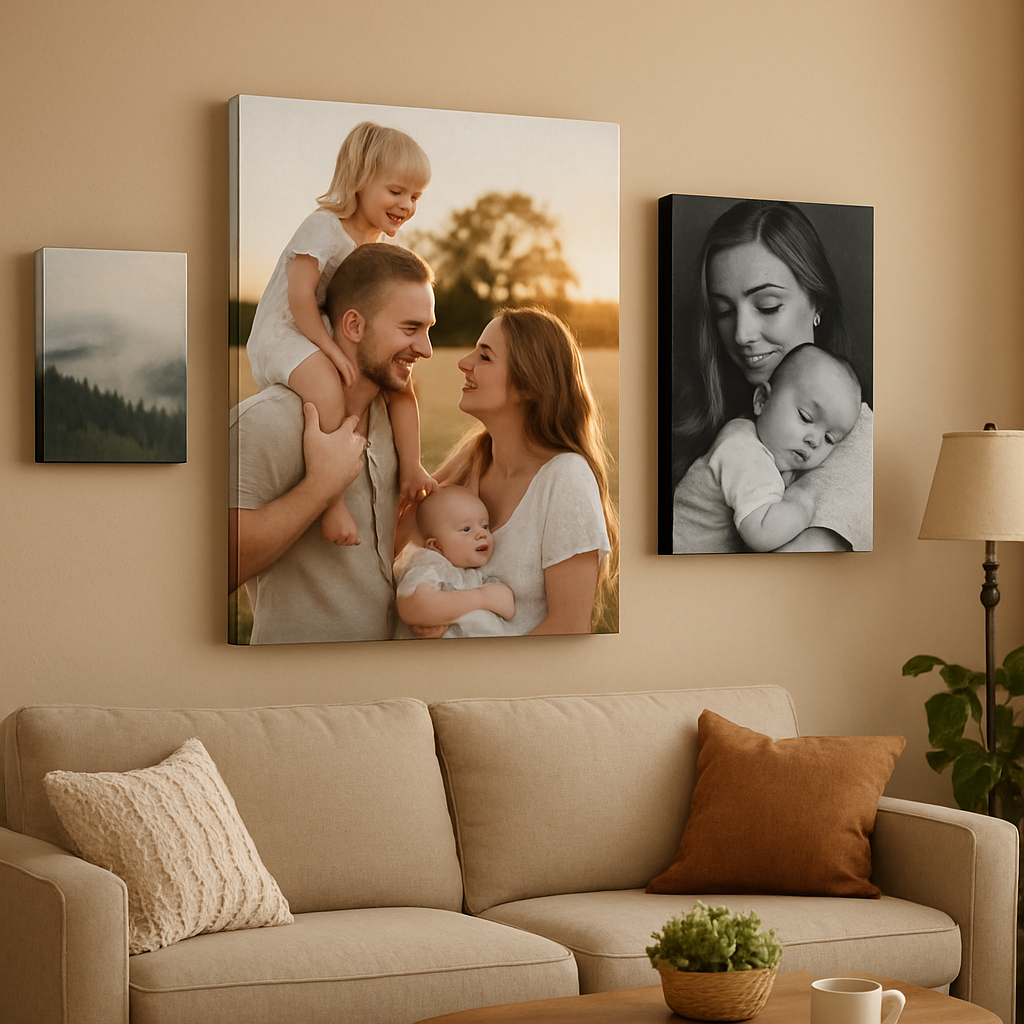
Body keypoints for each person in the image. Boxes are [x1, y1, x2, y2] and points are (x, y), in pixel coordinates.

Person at [229, 244, 435, 645]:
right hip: (295, 695)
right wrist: (321, 488)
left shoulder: (396, 426)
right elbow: (209, 571)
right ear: (354, 326)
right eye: (410, 329)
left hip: (382, 691)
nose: (425, 349)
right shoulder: (266, 422)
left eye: (428, 330)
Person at [245, 121, 435, 546]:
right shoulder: (323, 226)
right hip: (287, 332)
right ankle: (330, 501)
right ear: (360, 181)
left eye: (416, 196)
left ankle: (410, 469)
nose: (406, 204)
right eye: (396, 191)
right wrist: (329, 348)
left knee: (402, 389)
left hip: (329, 331)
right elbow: (299, 297)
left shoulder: (375, 248)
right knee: (330, 391)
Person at [670, 199, 872, 553]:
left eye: (767, 306)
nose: (741, 334)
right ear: (761, 400)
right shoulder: (729, 429)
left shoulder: (858, 441)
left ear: (817, 305)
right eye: (723, 311)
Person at [402, 306, 618, 637]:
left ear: (528, 387)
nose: (464, 363)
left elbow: (568, 628)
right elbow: (396, 543)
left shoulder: (567, 479)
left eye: (484, 357)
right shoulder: (473, 458)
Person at [673, 344, 862, 553]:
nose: (815, 441)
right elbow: (762, 533)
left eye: (829, 438)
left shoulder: (754, 439)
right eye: (805, 417)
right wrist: (803, 500)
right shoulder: (743, 451)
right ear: (762, 399)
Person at [394, 485, 514, 638]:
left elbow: (508, 607)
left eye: (485, 526)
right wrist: (481, 598)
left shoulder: (474, 573)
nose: (481, 534)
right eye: (466, 529)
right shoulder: (431, 565)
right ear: (436, 546)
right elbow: (414, 606)